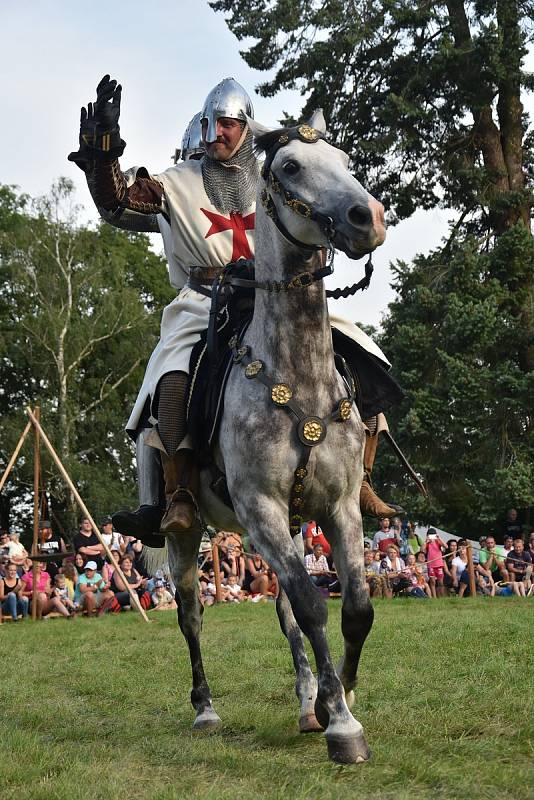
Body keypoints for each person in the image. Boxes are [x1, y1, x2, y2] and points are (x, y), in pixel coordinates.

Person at [69, 75, 405, 542]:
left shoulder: (271, 176)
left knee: (357, 351)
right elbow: (119, 202)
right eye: (212, 123)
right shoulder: (175, 184)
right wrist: (103, 154)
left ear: (245, 126)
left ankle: (360, 477)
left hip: (275, 292)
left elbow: (314, 201)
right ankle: (179, 490)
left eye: (228, 123)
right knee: (171, 372)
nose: (218, 133)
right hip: (204, 301)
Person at [424, 528, 447, 598]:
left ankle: (442, 596)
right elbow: (422, 550)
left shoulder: (438, 541)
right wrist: (426, 541)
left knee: (441, 582)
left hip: (439, 564)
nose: (431, 537)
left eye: (432, 535)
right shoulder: (427, 543)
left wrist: (439, 538)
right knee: (432, 582)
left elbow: (446, 546)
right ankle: (434, 597)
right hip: (430, 565)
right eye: (429, 535)